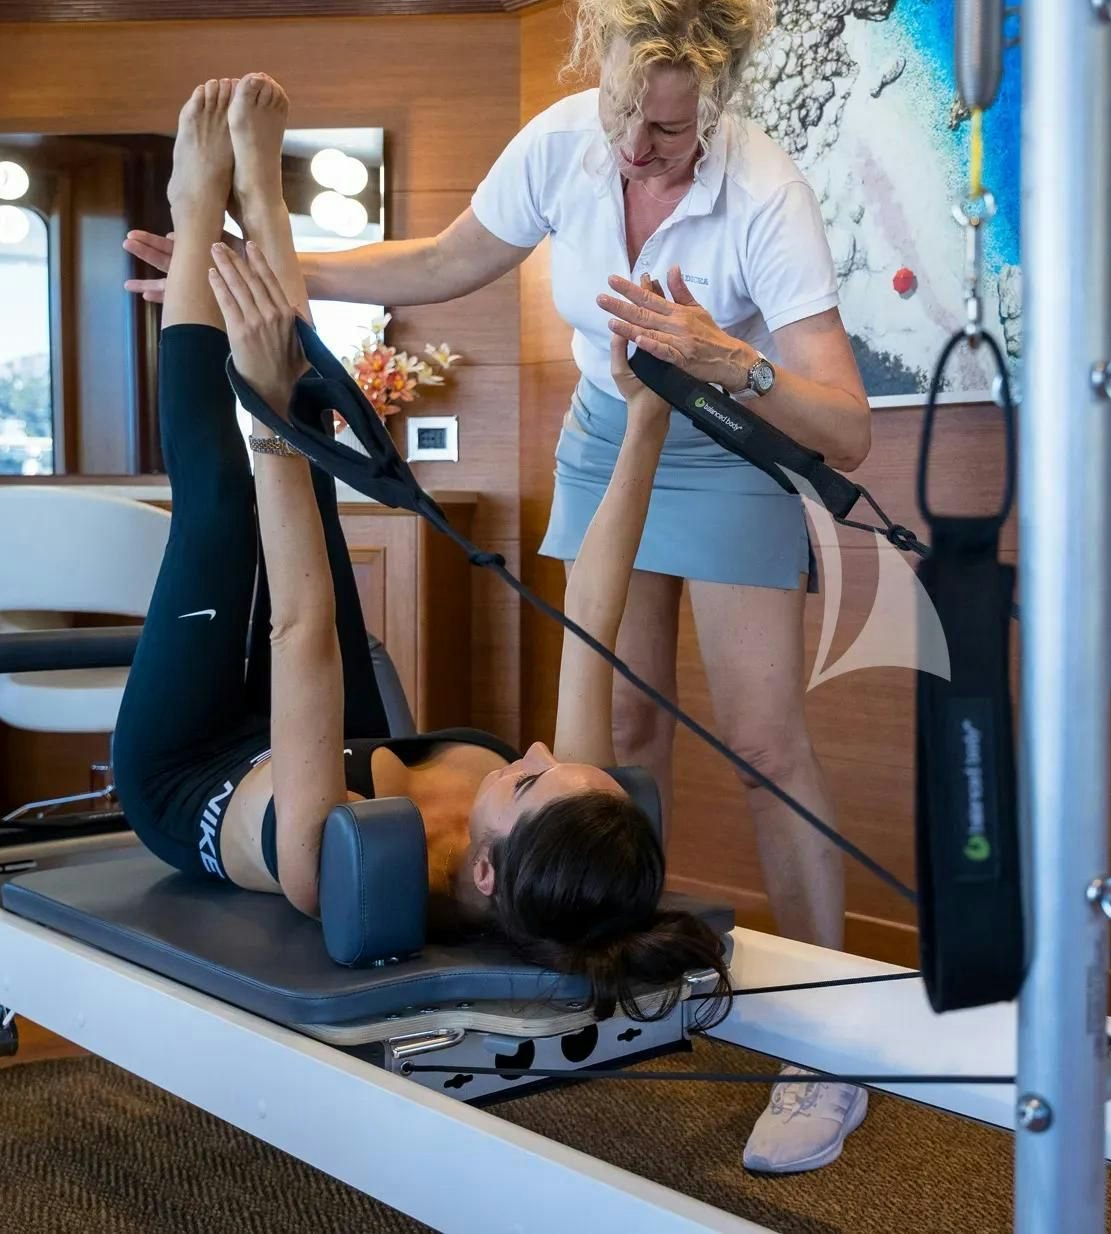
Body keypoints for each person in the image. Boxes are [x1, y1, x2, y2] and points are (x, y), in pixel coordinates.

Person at [124, 0, 872, 1174]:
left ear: (721, 101)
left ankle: (826, 1052)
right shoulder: (567, 142)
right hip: (615, 423)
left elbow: (842, 428)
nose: (638, 146)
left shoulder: (767, 191)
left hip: (725, 427)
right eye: (630, 110)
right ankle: (582, 920)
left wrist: (719, 362)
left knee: (763, 740)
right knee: (618, 740)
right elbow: (446, 260)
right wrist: (273, 270)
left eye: (671, 129)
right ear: (611, 70)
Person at [111, 72, 728, 1033]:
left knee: (226, 500)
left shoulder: (339, 869)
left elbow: (303, 627)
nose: (532, 749)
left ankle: (198, 212)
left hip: (192, 769)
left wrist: (266, 415)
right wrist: (650, 416)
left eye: (524, 776)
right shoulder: (569, 825)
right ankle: (264, 194)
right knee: (311, 459)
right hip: (343, 740)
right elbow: (593, 616)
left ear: (484, 870)